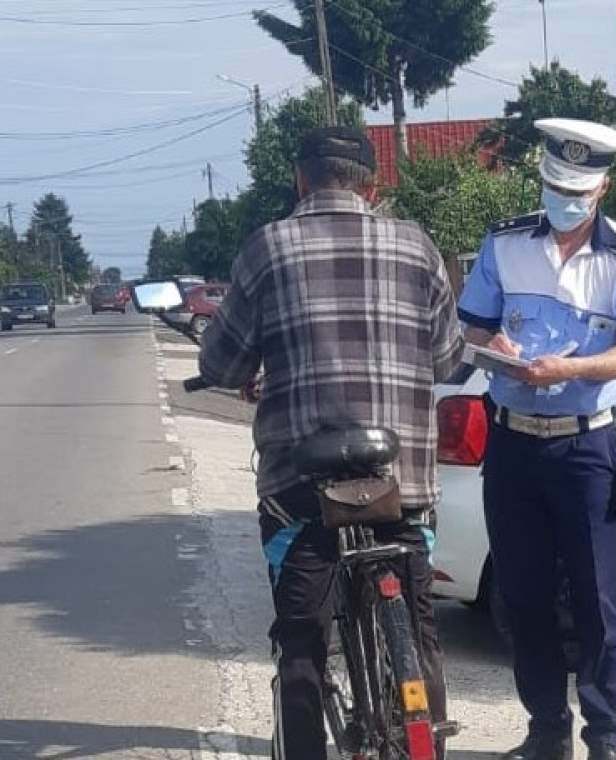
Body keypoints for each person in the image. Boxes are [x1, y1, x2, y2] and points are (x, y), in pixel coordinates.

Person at [197, 126, 464, 759]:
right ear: (373, 185)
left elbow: (222, 364)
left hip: (302, 488)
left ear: (301, 181)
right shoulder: (418, 246)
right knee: (420, 624)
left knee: (301, 640)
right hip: (402, 485)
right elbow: (448, 360)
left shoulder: (267, 248)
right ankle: (425, 732)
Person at [458, 118, 616, 760]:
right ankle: (546, 731)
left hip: (585, 448)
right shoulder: (504, 243)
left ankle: (604, 738)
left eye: (576, 191)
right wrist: (495, 345)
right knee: (522, 596)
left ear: (602, 189)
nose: (563, 201)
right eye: (554, 187)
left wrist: (569, 369)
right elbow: (470, 332)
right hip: (513, 444)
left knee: (598, 602)